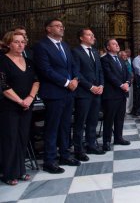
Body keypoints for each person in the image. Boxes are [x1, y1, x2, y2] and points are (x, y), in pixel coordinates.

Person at [33, 18, 80, 173]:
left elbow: (72, 65)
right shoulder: (41, 46)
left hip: (68, 92)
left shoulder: (65, 45)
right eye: (57, 26)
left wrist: (74, 79)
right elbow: (46, 70)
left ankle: (65, 155)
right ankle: (50, 160)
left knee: (65, 126)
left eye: (62, 26)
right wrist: (67, 82)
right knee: (52, 127)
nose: (61, 28)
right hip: (54, 92)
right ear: (48, 28)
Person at [0, 31, 39, 185]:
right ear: (8, 44)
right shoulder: (2, 60)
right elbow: (3, 85)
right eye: (16, 42)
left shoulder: (29, 61)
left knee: (23, 138)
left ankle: (21, 170)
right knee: (10, 139)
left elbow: (36, 81)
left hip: (26, 105)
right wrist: (19, 101)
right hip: (9, 106)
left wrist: (29, 98)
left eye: (22, 42)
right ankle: (8, 173)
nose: (20, 44)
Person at [72, 28, 105, 161]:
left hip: (97, 92)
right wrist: (90, 87)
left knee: (93, 121)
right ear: (81, 37)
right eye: (89, 35)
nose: (93, 37)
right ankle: (78, 150)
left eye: (93, 35)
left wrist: (101, 85)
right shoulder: (75, 52)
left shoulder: (95, 52)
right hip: (84, 92)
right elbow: (76, 73)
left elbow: (100, 71)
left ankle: (91, 144)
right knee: (80, 122)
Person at [101, 38, 130, 151]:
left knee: (119, 118)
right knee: (109, 118)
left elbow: (128, 73)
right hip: (111, 94)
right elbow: (109, 75)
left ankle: (118, 138)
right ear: (108, 47)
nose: (117, 45)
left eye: (117, 44)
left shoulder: (120, 59)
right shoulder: (105, 59)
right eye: (114, 44)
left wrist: (127, 83)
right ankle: (106, 141)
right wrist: (121, 85)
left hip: (122, 93)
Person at [132, 46, 140, 116]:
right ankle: (136, 110)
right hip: (139, 78)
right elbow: (137, 68)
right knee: (138, 95)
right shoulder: (136, 59)